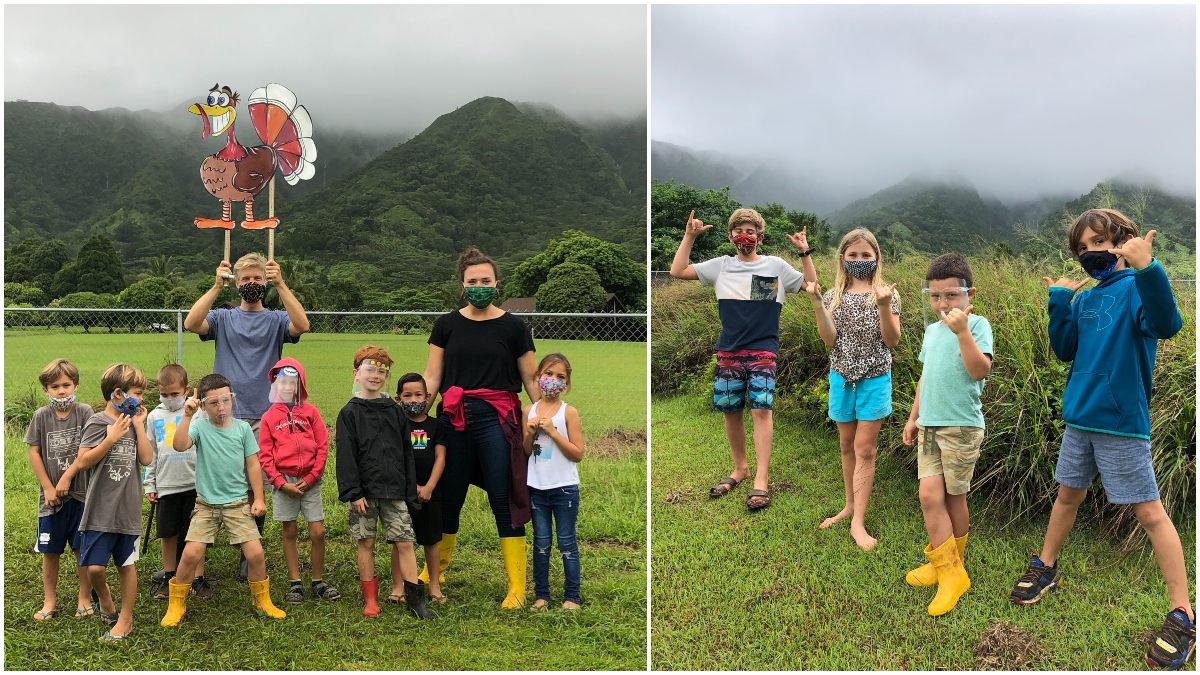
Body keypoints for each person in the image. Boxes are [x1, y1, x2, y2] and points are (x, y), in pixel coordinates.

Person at [1004, 209, 1192, 669]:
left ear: (1125, 243)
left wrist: (1149, 267)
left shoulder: (1136, 290)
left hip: (1122, 422)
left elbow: (1168, 324)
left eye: (1103, 242)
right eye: (1084, 246)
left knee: (1149, 512)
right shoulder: (1087, 299)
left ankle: (1184, 614)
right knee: (1067, 496)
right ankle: (1045, 568)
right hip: (1080, 421)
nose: (1093, 252)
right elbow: (1065, 349)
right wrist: (1059, 302)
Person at [669, 208, 817, 511]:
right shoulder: (720, 266)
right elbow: (677, 270)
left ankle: (760, 478)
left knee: (761, 410)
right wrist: (689, 236)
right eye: (738, 230)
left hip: (763, 349)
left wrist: (805, 253)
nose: (744, 236)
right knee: (731, 410)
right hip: (728, 350)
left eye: (750, 231)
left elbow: (812, 287)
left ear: (760, 238)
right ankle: (740, 469)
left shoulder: (775, 266)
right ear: (729, 235)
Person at [420, 247, 541, 609]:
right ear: (462, 286)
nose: (479, 286)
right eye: (472, 282)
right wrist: (413, 417)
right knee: (449, 497)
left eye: (485, 281)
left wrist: (549, 416)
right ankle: (437, 570)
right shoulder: (446, 325)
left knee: (503, 498)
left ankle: (517, 587)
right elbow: (433, 375)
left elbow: (531, 379)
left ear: (497, 284)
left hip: (498, 420)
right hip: (452, 420)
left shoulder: (514, 327)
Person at [184, 252, 310, 582]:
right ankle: (200, 551)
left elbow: (302, 325)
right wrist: (215, 286)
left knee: (258, 487)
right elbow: (191, 323)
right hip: (221, 416)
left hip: (266, 415)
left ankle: (247, 549)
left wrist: (281, 283)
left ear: (265, 282)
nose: (251, 284)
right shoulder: (223, 318)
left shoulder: (275, 319)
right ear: (236, 283)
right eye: (245, 279)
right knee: (214, 480)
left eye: (258, 279)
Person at [901, 253, 993, 616]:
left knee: (955, 497)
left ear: (970, 293)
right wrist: (913, 417)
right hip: (929, 425)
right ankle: (947, 567)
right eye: (935, 296)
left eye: (951, 295)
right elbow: (927, 377)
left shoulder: (978, 326)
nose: (943, 304)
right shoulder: (930, 331)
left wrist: (963, 332)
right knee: (928, 495)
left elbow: (978, 371)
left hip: (962, 426)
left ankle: (955, 569)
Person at [160, 374, 286, 626]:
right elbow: (180, 445)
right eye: (214, 403)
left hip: (238, 503)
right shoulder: (198, 426)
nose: (221, 407)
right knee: (190, 554)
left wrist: (259, 498)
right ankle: (177, 603)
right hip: (206, 505)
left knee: (256, 554)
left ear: (232, 399)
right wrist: (186, 416)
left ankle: (261, 599)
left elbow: (253, 465)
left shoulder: (242, 430)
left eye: (225, 401)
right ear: (204, 405)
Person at [805, 227, 900, 551]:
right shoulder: (832, 295)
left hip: (874, 380)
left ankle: (858, 521)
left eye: (866, 255)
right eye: (854, 255)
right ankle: (848, 506)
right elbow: (829, 340)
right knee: (846, 444)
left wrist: (885, 305)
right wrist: (818, 303)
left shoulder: (886, 293)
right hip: (841, 378)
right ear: (842, 258)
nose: (860, 260)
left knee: (865, 449)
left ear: (876, 258)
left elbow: (892, 341)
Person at [335, 346, 437, 620]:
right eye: (370, 369)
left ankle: (416, 601)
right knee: (365, 543)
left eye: (382, 371)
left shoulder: (394, 411)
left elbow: (406, 453)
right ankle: (370, 599)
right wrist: (353, 492)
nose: (376, 375)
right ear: (357, 374)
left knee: (405, 542)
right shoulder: (349, 413)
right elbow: (345, 456)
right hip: (364, 495)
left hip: (395, 492)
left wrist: (409, 491)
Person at [62, 363, 154, 642]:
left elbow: (147, 459)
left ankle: (125, 620)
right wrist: (111, 438)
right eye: (137, 393)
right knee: (95, 568)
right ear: (117, 394)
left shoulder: (136, 423)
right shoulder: (97, 423)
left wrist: (138, 426)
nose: (141, 399)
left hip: (127, 511)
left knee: (126, 564)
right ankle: (104, 598)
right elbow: (83, 460)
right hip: (99, 510)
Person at [259, 357, 339, 604]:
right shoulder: (269, 417)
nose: (286, 387)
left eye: (292, 383)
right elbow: (265, 454)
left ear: (300, 385)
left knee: (318, 532)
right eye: (281, 382)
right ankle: (296, 583)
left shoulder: (311, 412)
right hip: (285, 483)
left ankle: (317, 580)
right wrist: (280, 483)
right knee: (290, 529)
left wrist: (313, 476)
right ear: (275, 385)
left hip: (311, 482)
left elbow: (323, 446)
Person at [25, 358, 96, 621]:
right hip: (51, 500)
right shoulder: (41, 416)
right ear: (46, 390)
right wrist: (48, 487)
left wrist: (66, 478)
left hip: (81, 495)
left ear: (75, 385)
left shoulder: (85, 412)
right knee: (50, 551)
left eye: (66, 385)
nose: (61, 391)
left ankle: (85, 597)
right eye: (55, 386)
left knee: (82, 549)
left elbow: (87, 450)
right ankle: (49, 600)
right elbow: (34, 452)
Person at [143, 364, 212, 600]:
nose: (170, 399)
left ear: (186, 390)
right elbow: (150, 452)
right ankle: (169, 576)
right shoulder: (154, 416)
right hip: (167, 484)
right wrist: (150, 484)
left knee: (196, 533)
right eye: (164, 394)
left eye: (175, 394)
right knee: (168, 533)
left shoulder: (199, 414)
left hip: (195, 484)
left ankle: (198, 578)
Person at [523, 353, 585, 611]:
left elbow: (577, 453)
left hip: (564, 489)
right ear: (538, 377)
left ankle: (572, 597)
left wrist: (553, 432)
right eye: (548, 374)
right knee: (541, 543)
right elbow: (527, 451)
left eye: (560, 377)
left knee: (567, 541)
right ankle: (542, 595)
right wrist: (529, 433)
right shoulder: (529, 410)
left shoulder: (568, 412)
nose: (553, 381)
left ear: (566, 384)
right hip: (537, 488)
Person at [390, 372, 448, 605]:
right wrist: (411, 487)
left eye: (418, 395)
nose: (413, 400)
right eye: (407, 395)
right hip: (402, 494)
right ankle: (398, 587)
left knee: (431, 540)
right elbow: (394, 459)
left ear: (428, 396)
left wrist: (429, 487)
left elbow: (440, 458)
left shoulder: (437, 426)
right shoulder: (396, 426)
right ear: (398, 399)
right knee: (400, 541)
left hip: (429, 494)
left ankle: (434, 585)